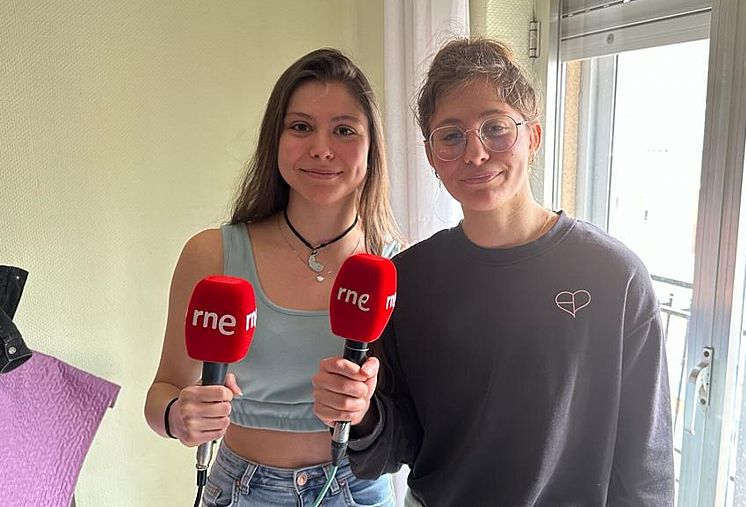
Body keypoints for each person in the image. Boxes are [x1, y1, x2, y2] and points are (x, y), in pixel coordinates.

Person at [312, 37, 674, 506]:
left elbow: (646, 463)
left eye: (496, 128)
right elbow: (399, 440)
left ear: (534, 137)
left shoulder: (612, 276)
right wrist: (360, 414)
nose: (475, 153)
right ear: (432, 156)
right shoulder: (408, 280)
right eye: (451, 136)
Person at [144, 48, 400, 507]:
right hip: (239, 488)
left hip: (357, 489)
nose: (322, 148)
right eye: (301, 126)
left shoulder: (394, 266)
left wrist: (362, 411)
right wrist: (178, 417)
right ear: (275, 140)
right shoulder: (212, 254)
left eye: (344, 130)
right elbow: (162, 391)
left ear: (371, 146)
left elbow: (407, 420)